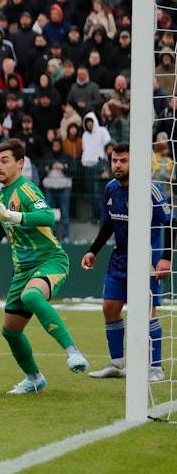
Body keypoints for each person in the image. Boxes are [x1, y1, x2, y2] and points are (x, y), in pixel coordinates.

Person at [0, 138, 89, 394]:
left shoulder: (27, 189)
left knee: (31, 295)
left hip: (50, 261)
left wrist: (14, 216)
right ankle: (34, 378)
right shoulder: (0, 195)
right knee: (10, 332)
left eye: (5, 161)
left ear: (20, 164)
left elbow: (47, 216)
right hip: (22, 271)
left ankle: (73, 352)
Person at [81, 143, 171, 382]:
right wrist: (93, 251)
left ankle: (156, 368)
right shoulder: (110, 189)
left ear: (135, 163)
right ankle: (117, 364)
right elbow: (108, 224)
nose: (117, 165)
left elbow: (171, 221)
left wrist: (166, 258)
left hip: (146, 262)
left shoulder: (150, 190)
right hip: (119, 259)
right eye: (114, 160)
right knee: (110, 308)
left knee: (146, 313)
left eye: (123, 161)